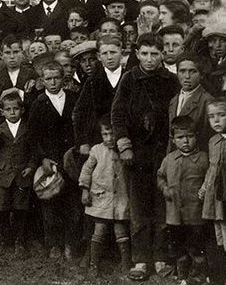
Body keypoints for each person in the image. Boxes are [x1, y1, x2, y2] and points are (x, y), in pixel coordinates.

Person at [111, 33, 180, 281]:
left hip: (164, 152)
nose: (150, 59)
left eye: (155, 54)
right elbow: (117, 114)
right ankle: (140, 259)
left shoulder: (172, 81)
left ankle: (161, 257)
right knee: (139, 208)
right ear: (137, 54)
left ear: (162, 54)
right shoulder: (130, 79)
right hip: (136, 154)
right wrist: (125, 145)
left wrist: (172, 154)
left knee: (162, 206)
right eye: (145, 54)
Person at [26, 60, 79, 260]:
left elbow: (79, 127)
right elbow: (33, 135)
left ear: (63, 79)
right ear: (42, 81)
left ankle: (70, 244)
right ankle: (53, 244)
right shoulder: (39, 103)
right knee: (50, 204)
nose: (53, 82)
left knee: (72, 204)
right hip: (50, 161)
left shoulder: (74, 99)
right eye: (48, 79)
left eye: (57, 78)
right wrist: (43, 158)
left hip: (71, 160)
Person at [157, 116, 209, 283]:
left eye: (190, 136)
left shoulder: (203, 158)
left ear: (196, 136)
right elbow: (160, 176)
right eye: (180, 137)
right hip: (174, 215)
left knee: (196, 247)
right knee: (177, 246)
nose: (186, 141)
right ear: (173, 140)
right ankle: (182, 275)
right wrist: (164, 188)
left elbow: (210, 179)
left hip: (196, 215)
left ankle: (197, 276)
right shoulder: (169, 159)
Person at [78, 115, 131, 277]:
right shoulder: (96, 150)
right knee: (99, 230)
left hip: (120, 198)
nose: (109, 138)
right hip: (101, 198)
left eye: (113, 134)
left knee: (120, 231)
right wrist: (85, 190)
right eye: (105, 134)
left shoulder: (125, 152)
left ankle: (126, 263)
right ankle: (94, 263)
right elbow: (86, 170)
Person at [0, 91, 33, 255]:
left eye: (16, 109)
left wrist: (31, 167)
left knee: (20, 209)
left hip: (21, 176)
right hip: (2, 176)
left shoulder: (27, 129)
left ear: (22, 110)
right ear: (2, 112)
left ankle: (19, 240)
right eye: (8, 109)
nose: (12, 113)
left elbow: (34, 151)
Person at [199, 98, 226, 285]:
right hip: (213, 197)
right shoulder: (213, 141)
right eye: (211, 117)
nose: (216, 121)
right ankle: (223, 273)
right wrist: (204, 187)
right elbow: (212, 168)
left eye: (221, 116)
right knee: (220, 238)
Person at [73, 35, 125, 156]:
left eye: (113, 52)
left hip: (126, 138)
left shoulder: (129, 77)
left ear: (121, 53)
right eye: (105, 53)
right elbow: (79, 113)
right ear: (99, 57)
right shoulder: (92, 81)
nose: (109, 57)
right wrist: (82, 142)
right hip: (98, 139)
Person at [168, 54, 214, 153]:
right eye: (182, 71)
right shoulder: (174, 101)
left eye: (192, 71)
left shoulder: (207, 101)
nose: (187, 76)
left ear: (201, 74)